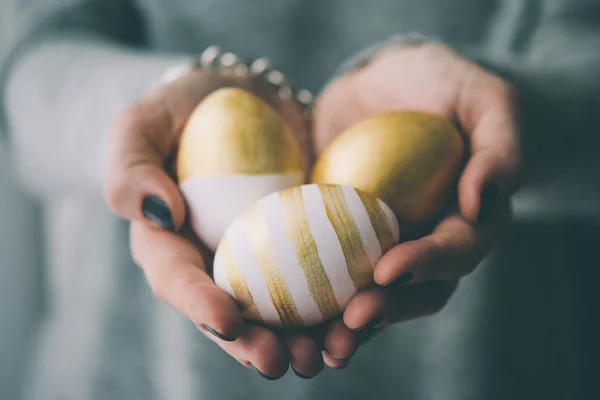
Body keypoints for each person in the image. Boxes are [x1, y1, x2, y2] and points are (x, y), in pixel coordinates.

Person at [1, 0, 599, 399]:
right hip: (131, 374)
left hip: (495, 366)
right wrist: (148, 117)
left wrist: (507, 117)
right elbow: (24, 48)